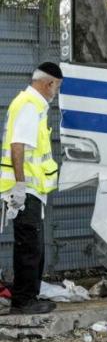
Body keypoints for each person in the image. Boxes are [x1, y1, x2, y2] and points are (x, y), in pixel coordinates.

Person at [1, 62, 62, 315]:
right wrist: (20, 185)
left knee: (34, 244)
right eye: (57, 88)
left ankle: (29, 297)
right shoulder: (29, 105)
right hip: (24, 190)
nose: (55, 93)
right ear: (48, 83)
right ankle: (23, 301)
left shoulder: (32, 104)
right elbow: (18, 146)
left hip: (31, 190)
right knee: (29, 245)